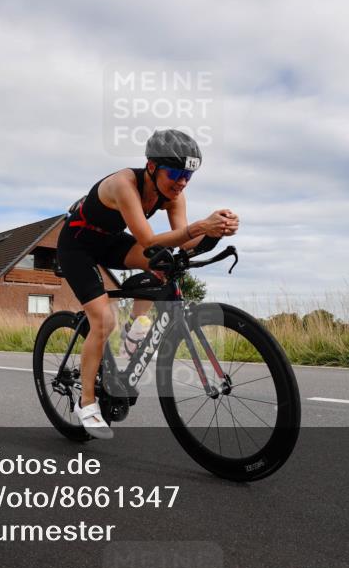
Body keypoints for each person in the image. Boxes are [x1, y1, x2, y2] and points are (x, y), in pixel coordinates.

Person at [56, 129, 239, 439]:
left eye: (188, 175)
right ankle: (87, 403)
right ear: (152, 167)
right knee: (102, 320)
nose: (182, 181)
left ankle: (133, 336)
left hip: (110, 242)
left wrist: (214, 232)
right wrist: (201, 225)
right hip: (77, 244)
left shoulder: (174, 196)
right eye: (176, 172)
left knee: (165, 266)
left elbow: (186, 242)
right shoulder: (123, 184)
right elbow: (149, 239)